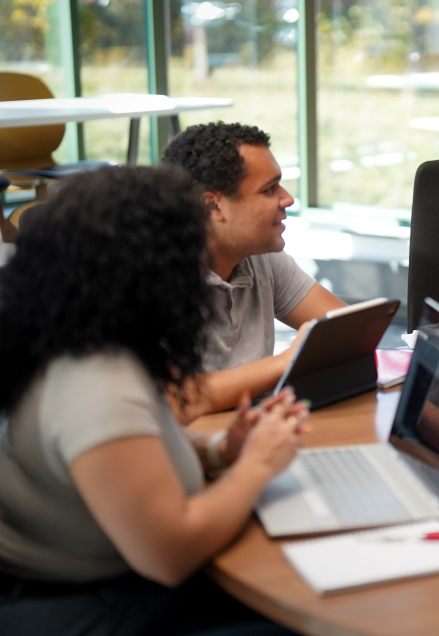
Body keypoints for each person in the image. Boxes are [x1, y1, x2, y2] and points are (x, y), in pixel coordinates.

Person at [0, 167, 308, 634]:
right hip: (88, 607)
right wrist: (257, 466)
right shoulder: (93, 383)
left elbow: (127, 450)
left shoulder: (78, 336)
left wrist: (218, 451)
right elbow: (170, 554)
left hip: (110, 583)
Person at [162, 122, 346, 418]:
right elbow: (177, 399)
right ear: (214, 207)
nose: (287, 199)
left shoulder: (260, 256)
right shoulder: (151, 276)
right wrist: (288, 360)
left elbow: (346, 332)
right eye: (269, 189)